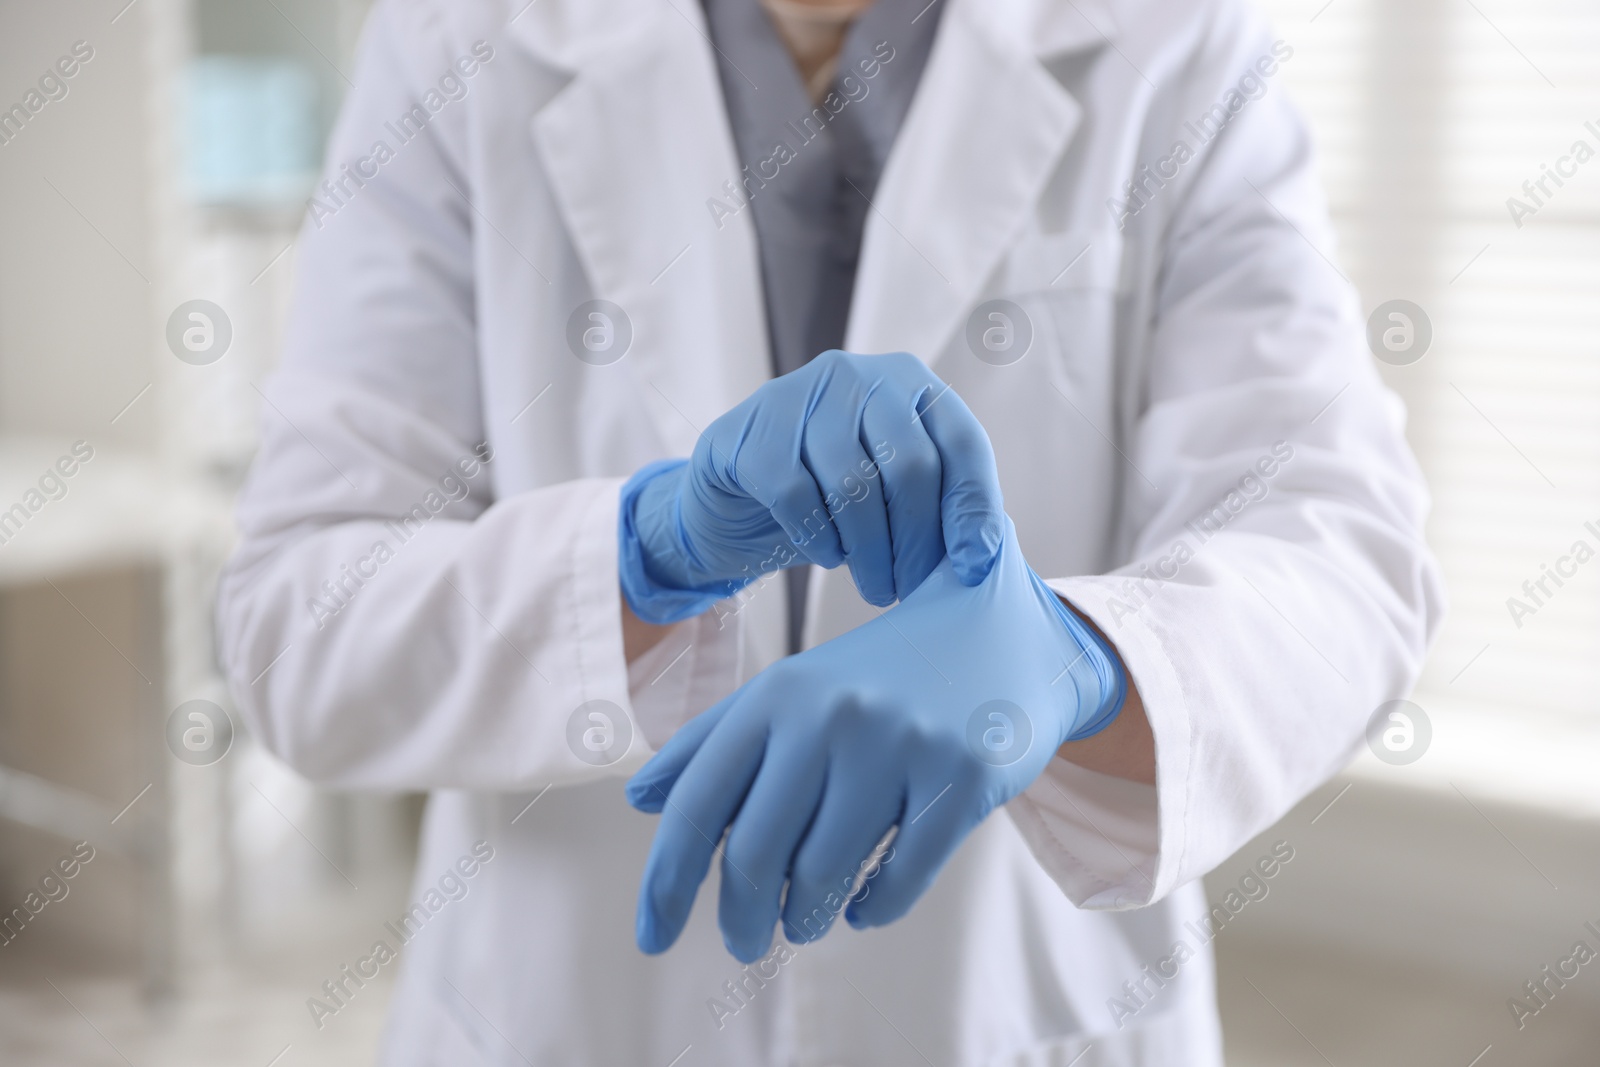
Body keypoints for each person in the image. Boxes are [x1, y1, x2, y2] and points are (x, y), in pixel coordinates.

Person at [217, 0, 1443, 1062]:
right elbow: (295, 620)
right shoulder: (459, 38)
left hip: (1013, 1006)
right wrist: (646, 552)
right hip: (565, 1010)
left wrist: (1075, 661)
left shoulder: (1173, 43)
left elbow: (1338, 540)